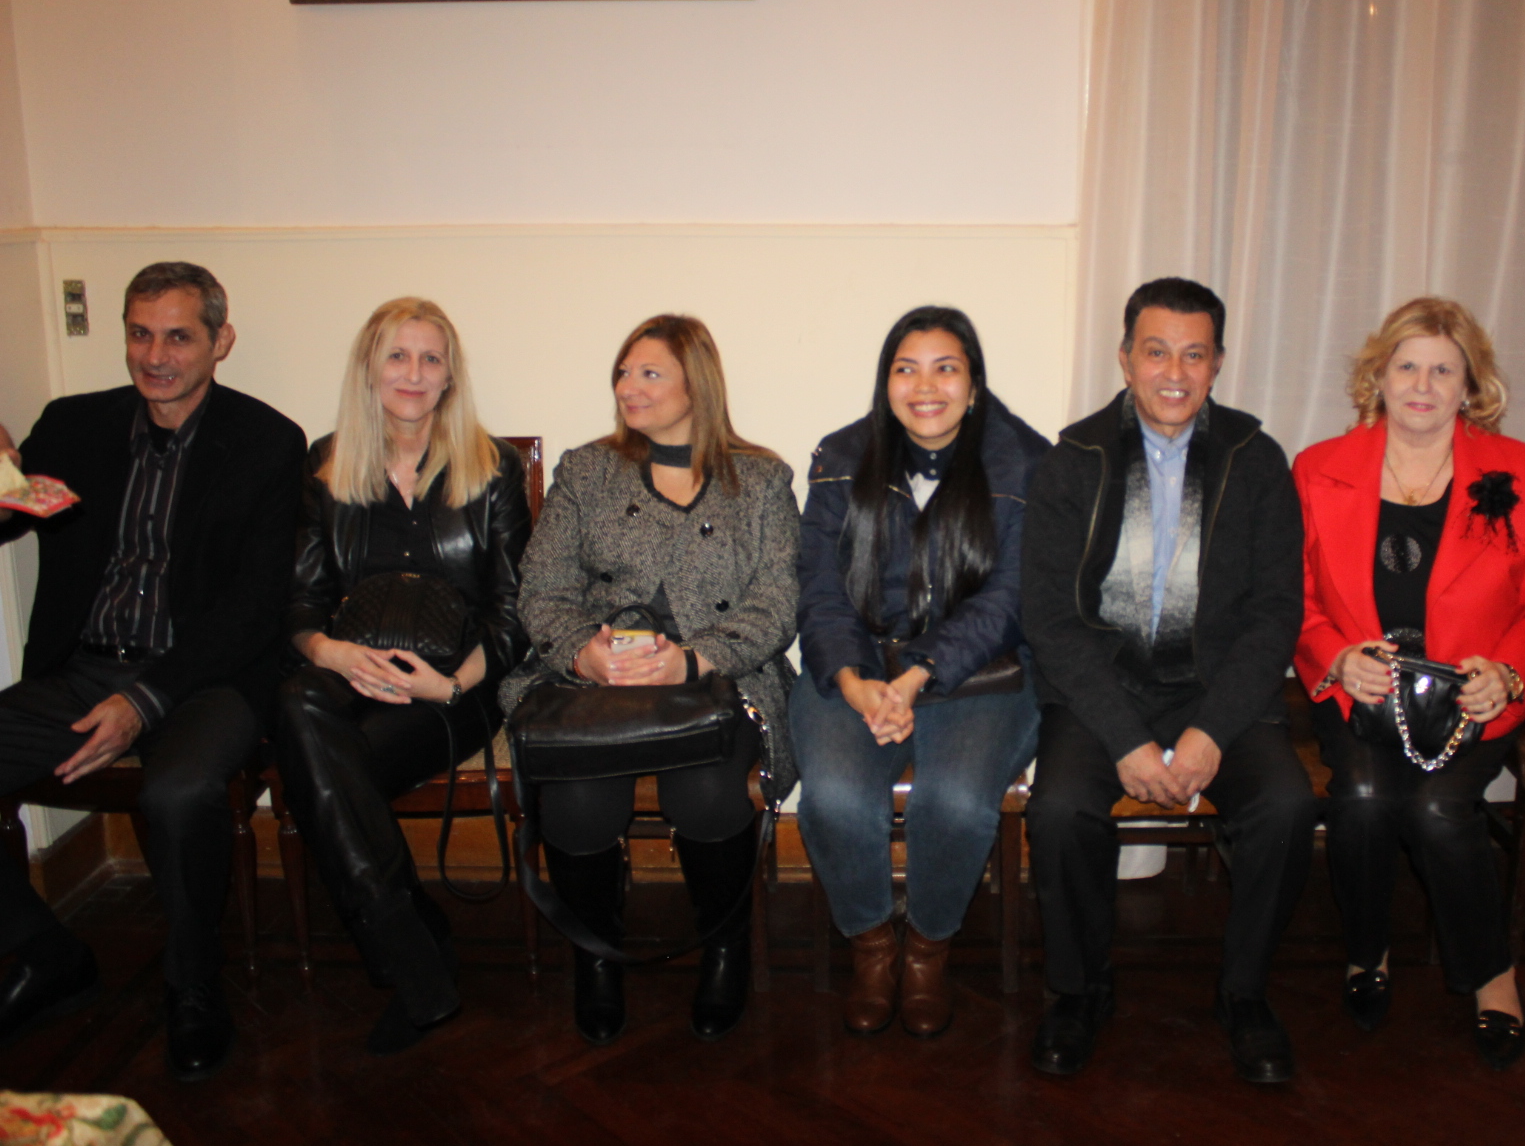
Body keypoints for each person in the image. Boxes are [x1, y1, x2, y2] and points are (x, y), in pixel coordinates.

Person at [0, 262, 306, 1078]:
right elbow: (15, 513)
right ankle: (46, 955)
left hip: (204, 681)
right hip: (81, 671)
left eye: (178, 337)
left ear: (220, 341)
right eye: (140, 334)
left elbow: (254, 608)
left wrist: (144, 700)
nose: (155, 356)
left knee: (178, 792)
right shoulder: (73, 424)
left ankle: (192, 982)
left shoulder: (267, 442)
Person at [1021, 277, 1318, 1084]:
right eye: (1157, 352)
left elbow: (1275, 614)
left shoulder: (1257, 460)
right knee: (1058, 812)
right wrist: (1125, 738)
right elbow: (1049, 618)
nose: (1175, 373)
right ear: (1126, 359)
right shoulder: (1073, 460)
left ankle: (1244, 994)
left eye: (1194, 355)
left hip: (1219, 692)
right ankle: (1080, 991)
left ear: (1218, 363)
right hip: (1102, 690)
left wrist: (1211, 731)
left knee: (1287, 808)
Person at [1292, 296, 1525, 1071]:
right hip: (1364, 692)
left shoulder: (1524, 472)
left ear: (1470, 385)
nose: (1422, 385)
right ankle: (1367, 950)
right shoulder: (1317, 468)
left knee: (1438, 808)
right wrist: (1336, 657)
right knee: (1360, 798)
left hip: (1469, 698)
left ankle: (1491, 975)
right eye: (1408, 366)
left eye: (1443, 370)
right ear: (1378, 377)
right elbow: (1296, 599)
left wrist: (1508, 674)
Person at [501, 314, 798, 1045]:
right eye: (623, 372)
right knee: (576, 800)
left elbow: (778, 604)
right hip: (593, 687)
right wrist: (585, 654)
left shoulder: (762, 480)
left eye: (650, 373)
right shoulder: (586, 471)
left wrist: (692, 660)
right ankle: (596, 957)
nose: (627, 386)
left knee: (707, 791)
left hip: (719, 683)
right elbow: (541, 588)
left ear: (697, 383)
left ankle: (723, 949)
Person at [277, 298, 531, 1055]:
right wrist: (332, 654)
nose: (413, 374)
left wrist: (448, 685)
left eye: (430, 358)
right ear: (369, 368)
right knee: (297, 699)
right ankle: (414, 942)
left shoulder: (493, 468)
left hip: (456, 686)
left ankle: (410, 945)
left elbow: (517, 611)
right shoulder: (325, 465)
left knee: (323, 775)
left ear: (450, 375)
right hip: (348, 671)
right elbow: (300, 603)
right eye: (397, 355)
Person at [793, 306, 1048, 1038]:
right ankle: (873, 946)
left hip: (984, 671)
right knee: (833, 799)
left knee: (957, 803)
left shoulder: (1025, 460)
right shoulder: (842, 456)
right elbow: (820, 586)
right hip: (858, 665)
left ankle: (928, 949)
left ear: (974, 383)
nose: (925, 386)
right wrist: (852, 680)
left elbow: (1012, 597)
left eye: (946, 368)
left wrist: (917, 675)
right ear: (886, 382)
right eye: (906, 369)